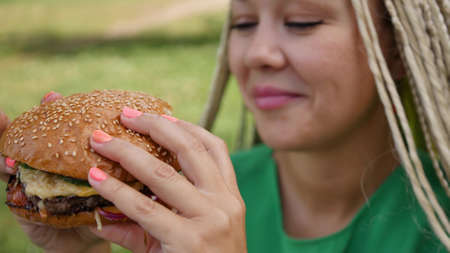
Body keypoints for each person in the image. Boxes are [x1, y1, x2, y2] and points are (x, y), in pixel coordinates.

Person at [0, 0, 448, 252]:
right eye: (244, 23)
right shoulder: (183, 200)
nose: (257, 53)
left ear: (396, 49)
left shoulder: (438, 223)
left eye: (302, 22)